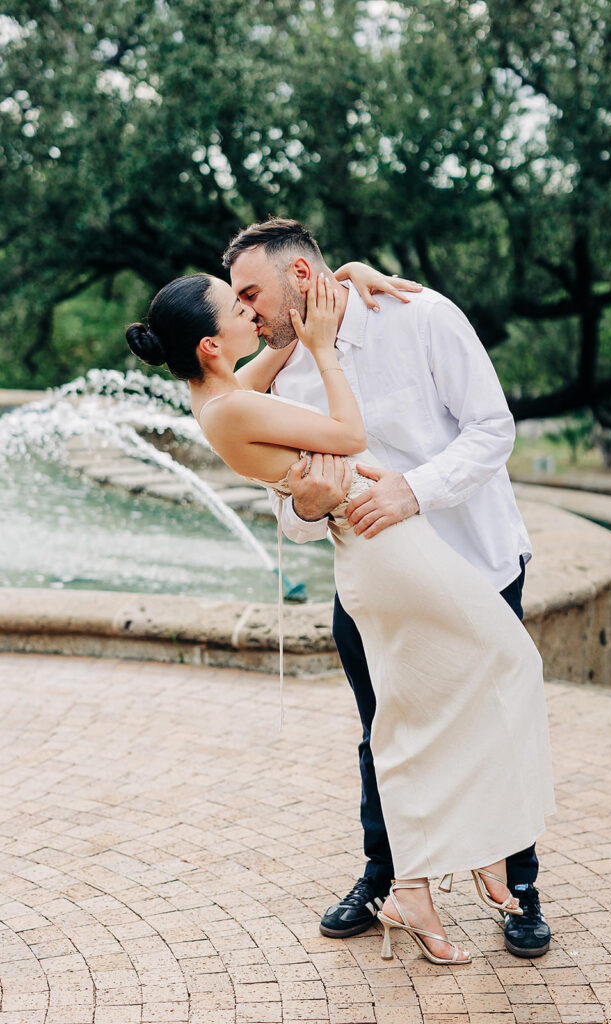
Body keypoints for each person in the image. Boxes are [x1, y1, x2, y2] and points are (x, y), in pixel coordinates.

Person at [127, 251, 555, 966]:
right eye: (236, 305)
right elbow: (295, 510)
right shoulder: (267, 377)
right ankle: (400, 877)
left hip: (468, 551)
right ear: (210, 341)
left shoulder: (418, 316)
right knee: (395, 723)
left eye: (251, 295)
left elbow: (492, 430)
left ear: (301, 273)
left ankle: (507, 874)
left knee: (497, 690)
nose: (250, 312)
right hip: (380, 560)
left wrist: (351, 273)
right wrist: (306, 498)